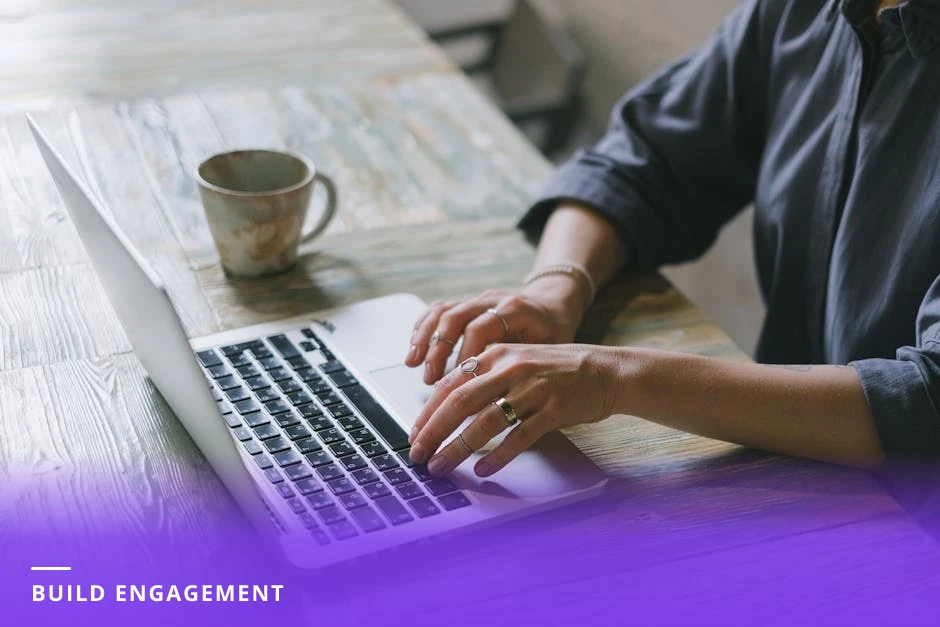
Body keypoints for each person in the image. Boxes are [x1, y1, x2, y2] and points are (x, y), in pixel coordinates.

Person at [404, 0, 940, 479]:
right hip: (792, 476)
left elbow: (924, 404)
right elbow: (643, 164)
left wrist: (612, 377)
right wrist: (556, 287)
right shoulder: (799, 12)